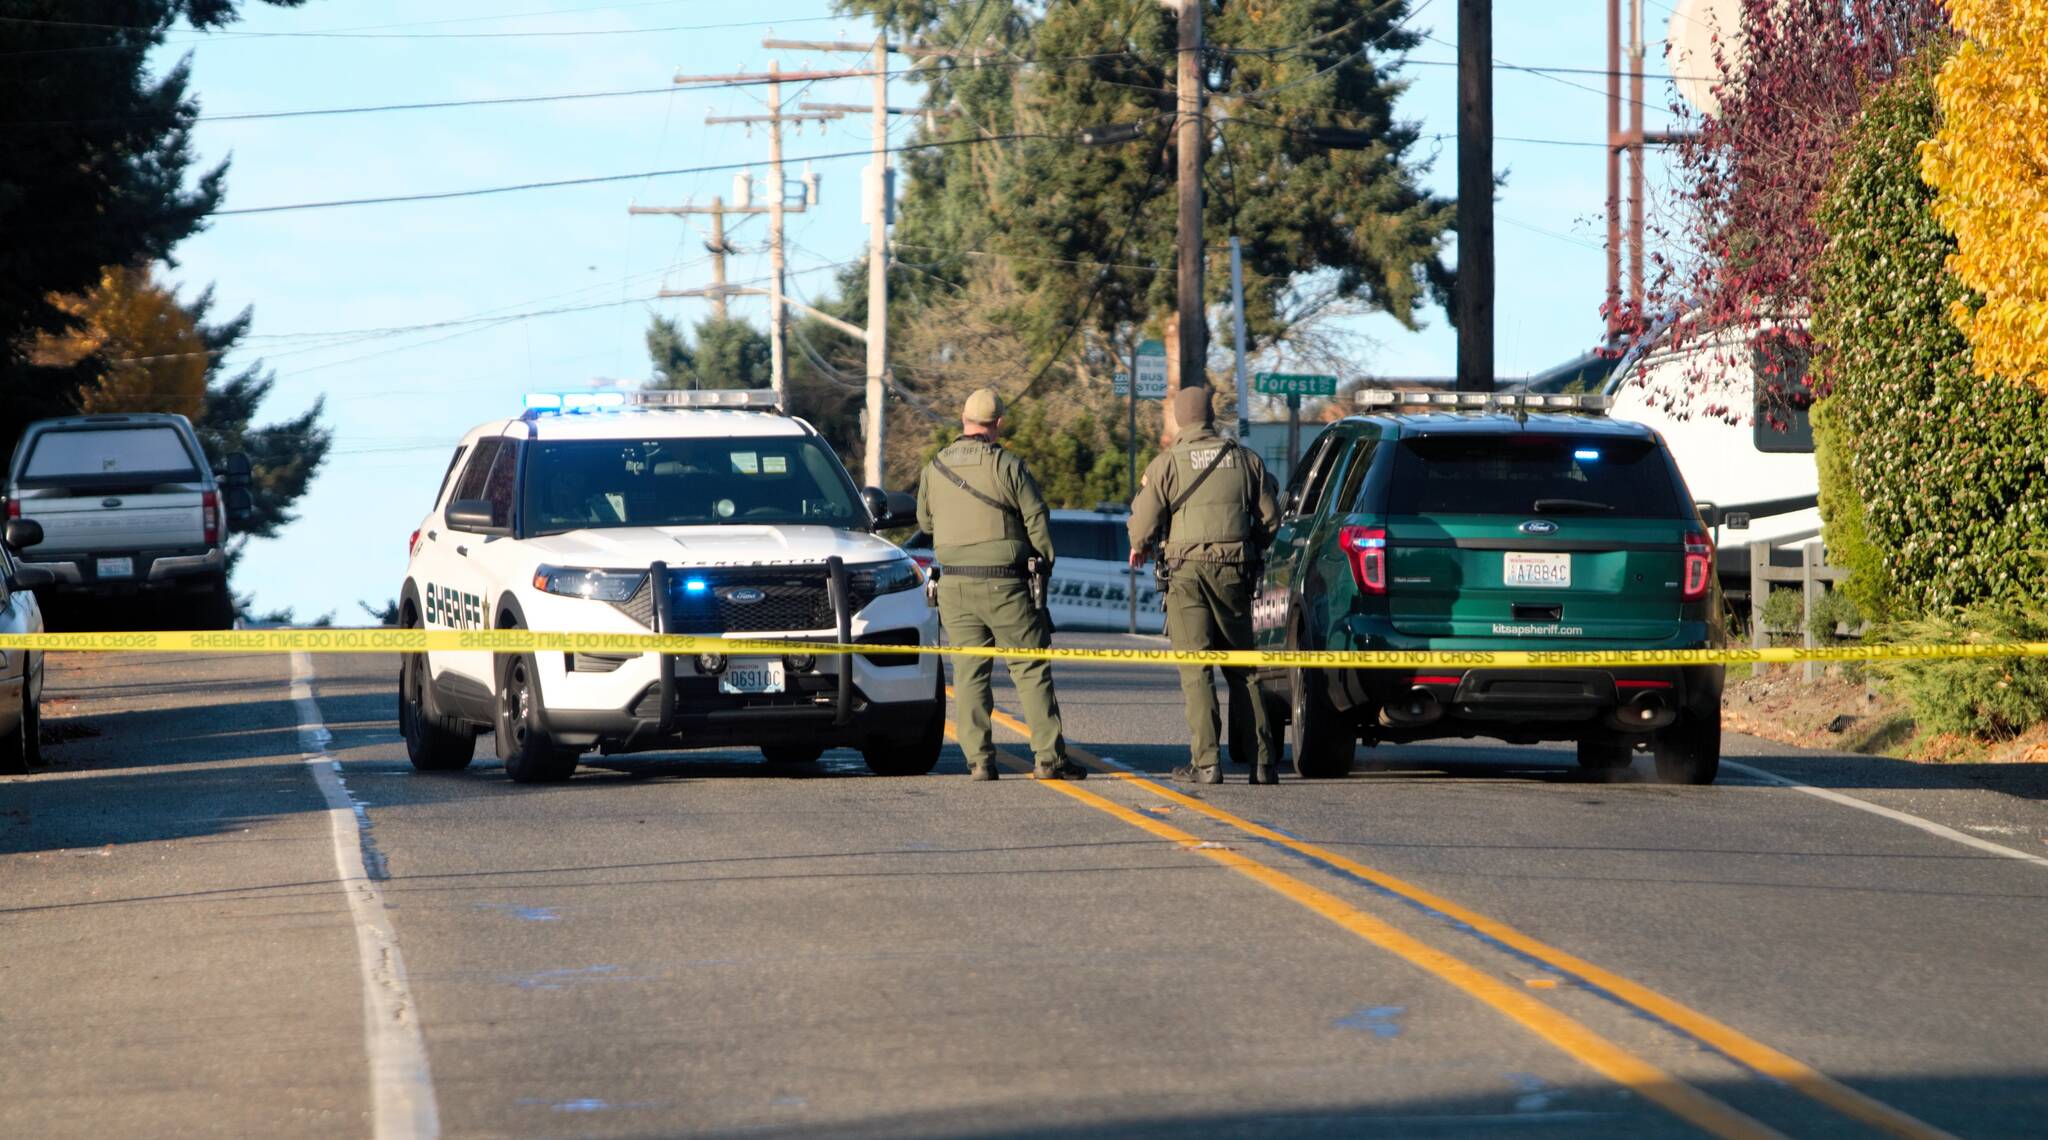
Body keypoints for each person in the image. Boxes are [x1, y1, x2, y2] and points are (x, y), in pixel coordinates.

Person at [916, 388, 1086, 781]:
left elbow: (925, 525)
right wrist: (1042, 568)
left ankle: (979, 760)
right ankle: (1048, 758)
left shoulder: (935, 468)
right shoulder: (1008, 465)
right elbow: (1037, 520)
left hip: (955, 586)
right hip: (1005, 583)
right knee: (1029, 668)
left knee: (969, 671)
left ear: (963, 419)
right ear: (998, 425)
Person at [1128, 386, 1283, 784]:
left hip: (1186, 574)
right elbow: (1271, 519)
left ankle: (1208, 762)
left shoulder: (1167, 464)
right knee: (1243, 666)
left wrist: (1139, 546)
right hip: (1234, 570)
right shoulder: (1244, 460)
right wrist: (1250, 548)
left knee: (1196, 668)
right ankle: (1263, 761)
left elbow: (1142, 526)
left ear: (1181, 419)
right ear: (1210, 416)